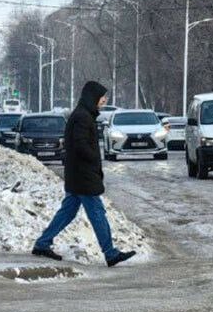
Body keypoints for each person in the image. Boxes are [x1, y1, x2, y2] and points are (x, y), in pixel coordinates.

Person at [32, 81, 136, 267]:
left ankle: (42, 243)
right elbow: (80, 145)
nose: (104, 100)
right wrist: (94, 159)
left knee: (67, 212)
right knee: (97, 212)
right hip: (83, 175)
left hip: (78, 174)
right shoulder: (82, 117)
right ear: (92, 97)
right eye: (102, 97)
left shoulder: (83, 114)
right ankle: (110, 253)